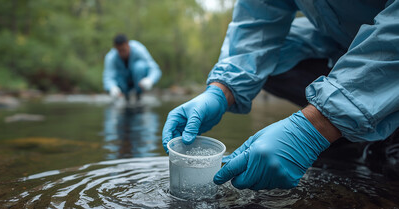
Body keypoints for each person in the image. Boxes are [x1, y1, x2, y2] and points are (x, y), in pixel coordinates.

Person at [162, 0, 399, 191]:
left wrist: (313, 127)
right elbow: (257, 20)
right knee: (271, 54)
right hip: (343, 45)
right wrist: (221, 90)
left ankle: (363, 122)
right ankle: (348, 132)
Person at [103, 34, 161, 101]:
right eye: (119, 51)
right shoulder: (111, 57)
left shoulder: (139, 49)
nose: (122, 53)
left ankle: (139, 95)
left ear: (128, 44)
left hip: (139, 82)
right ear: (115, 48)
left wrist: (150, 80)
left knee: (140, 66)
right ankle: (125, 97)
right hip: (123, 84)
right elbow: (108, 77)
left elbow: (154, 68)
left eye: (123, 50)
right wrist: (112, 88)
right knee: (116, 76)